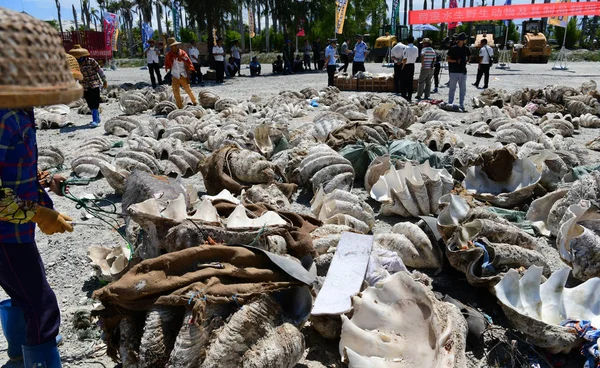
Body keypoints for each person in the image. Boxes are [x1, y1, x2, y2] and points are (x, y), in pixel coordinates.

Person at [0, 9, 83, 367]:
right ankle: (38, 354)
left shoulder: (21, 110)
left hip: (15, 227)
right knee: (42, 305)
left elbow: (11, 170)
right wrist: (37, 212)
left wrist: (42, 181)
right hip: (4, 232)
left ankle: (20, 352)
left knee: (23, 293)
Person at [69, 44, 107, 128]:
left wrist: (104, 80)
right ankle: (97, 118)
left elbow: (99, 70)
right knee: (89, 103)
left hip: (94, 84)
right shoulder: (75, 65)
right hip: (84, 86)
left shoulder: (91, 61)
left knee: (94, 102)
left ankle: (95, 120)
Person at [164, 37, 198, 108]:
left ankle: (194, 101)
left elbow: (188, 62)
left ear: (176, 46)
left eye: (174, 46)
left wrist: (188, 72)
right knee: (176, 92)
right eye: (172, 46)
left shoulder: (182, 53)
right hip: (174, 74)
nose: (173, 47)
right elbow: (168, 64)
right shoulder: (169, 55)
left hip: (182, 74)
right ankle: (180, 106)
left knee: (187, 89)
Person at [447, 32, 471, 112]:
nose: (466, 40)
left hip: (463, 71)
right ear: (461, 40)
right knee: (452, 88)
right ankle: (450, 103)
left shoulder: (466, 48)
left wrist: (467, 61)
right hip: (453, 71)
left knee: (462, 89)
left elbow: (469, 56)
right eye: (465, 39)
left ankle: (461, 104)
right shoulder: (453, 48)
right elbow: (448, 59)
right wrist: (456, 61)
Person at [401, 36, 419, 102]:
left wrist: (402, 67)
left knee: (404, 81)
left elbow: (405, 59)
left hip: (406, 65)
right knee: (410, 80)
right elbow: (416, 57)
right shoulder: (416, 48)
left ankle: (404, 95)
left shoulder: (406, 48)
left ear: (407, 41)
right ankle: (410, 96)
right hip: (412, 65)